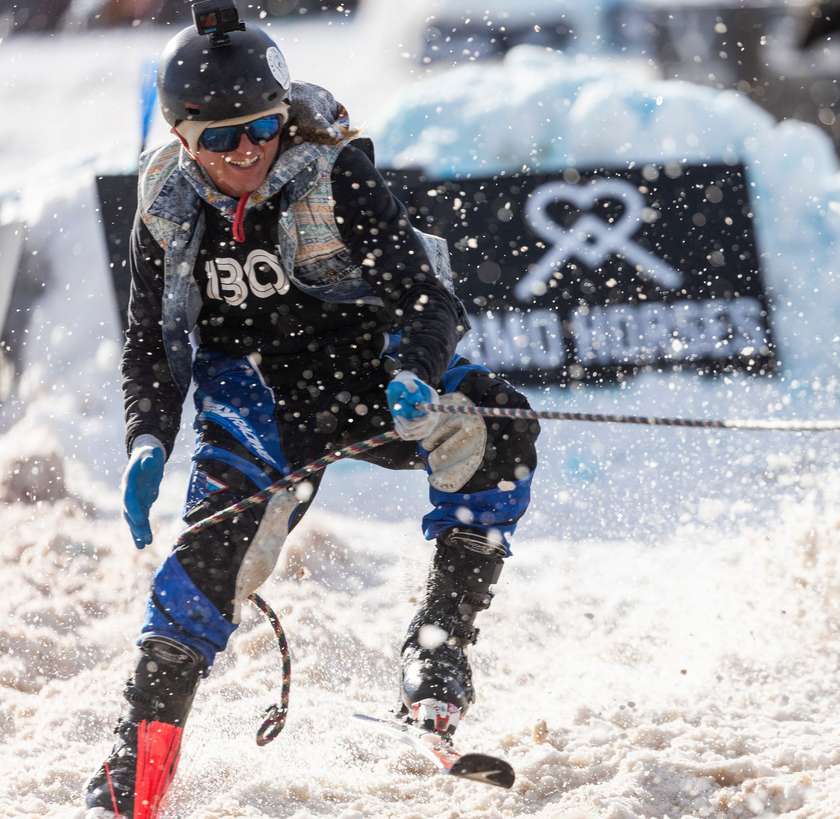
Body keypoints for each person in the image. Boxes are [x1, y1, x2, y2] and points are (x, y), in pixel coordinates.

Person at [84, 12, 539, 817]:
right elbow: (152, 345)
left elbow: (428, 300)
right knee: (211, 561)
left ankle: (437, 657)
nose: (247, 151)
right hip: (253, 395)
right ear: (182, 138)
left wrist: (413, 370)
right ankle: (130, 775)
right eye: (221, 139)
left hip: (364, 372)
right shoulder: (161, 203)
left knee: (496, 424)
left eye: (263, 125)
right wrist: (147, 436)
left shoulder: (336, 173)